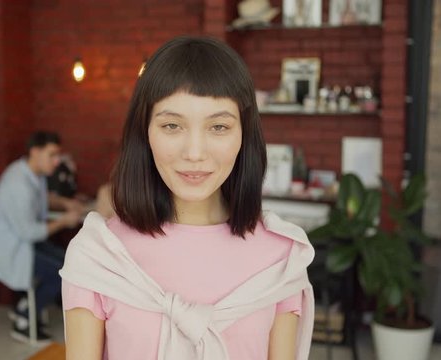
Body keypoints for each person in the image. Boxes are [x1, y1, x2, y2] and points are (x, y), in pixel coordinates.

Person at [59, 37, 315, 359]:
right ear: (145, 133)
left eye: (219, 127)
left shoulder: (281, 257)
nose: (194, 153)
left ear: (244, 135)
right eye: (171, 125)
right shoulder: (99, 255)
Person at [0, 131, 84, 343]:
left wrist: (66, 204)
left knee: (68, 260)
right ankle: (24, 318)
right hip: (12, 249)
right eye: (52, 155)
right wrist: (64, 221)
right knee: (63, 272)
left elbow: (42, 200)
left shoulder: (31, 174)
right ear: (35, 152)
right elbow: (28, 231)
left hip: (24, 243)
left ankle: (26, 307)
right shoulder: (18, 184)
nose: (57, 161)